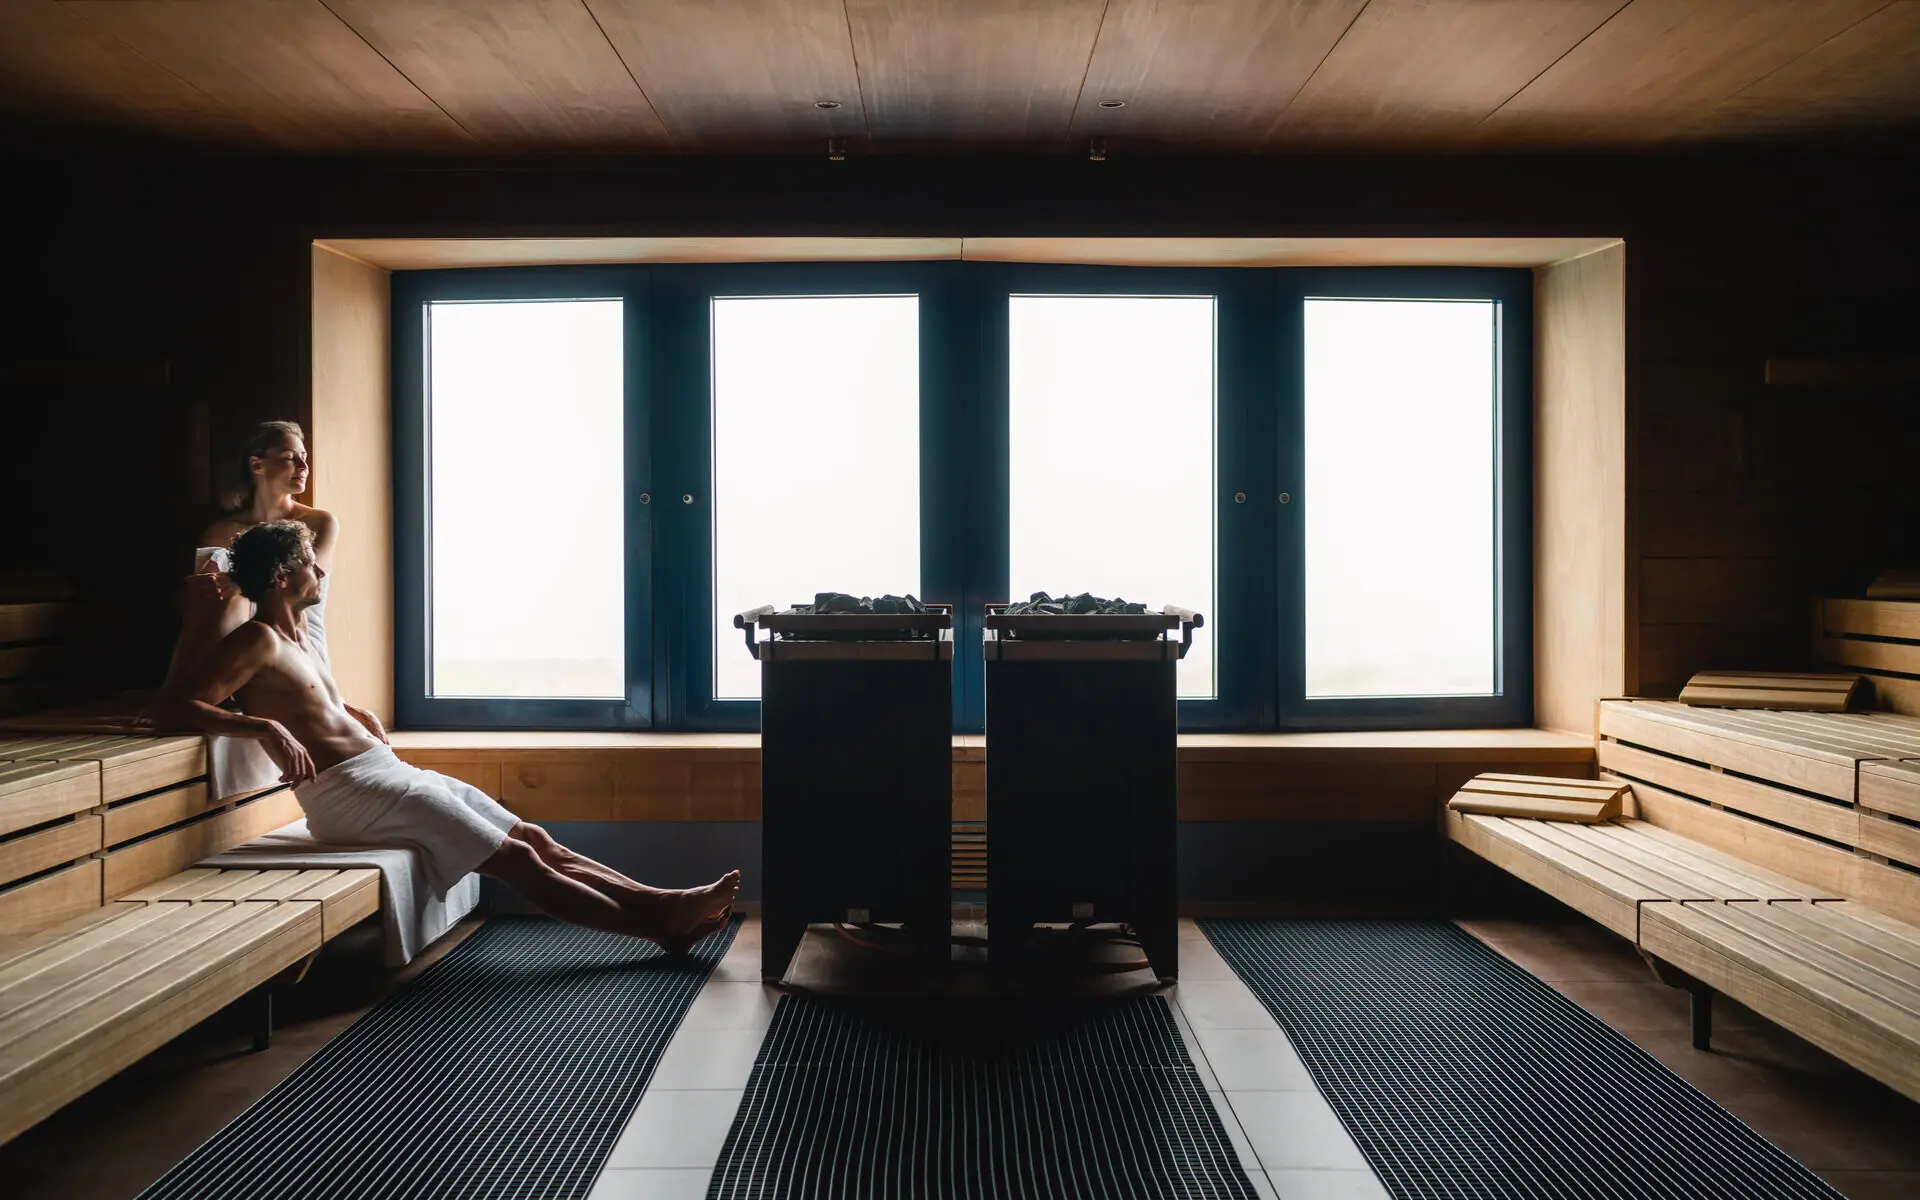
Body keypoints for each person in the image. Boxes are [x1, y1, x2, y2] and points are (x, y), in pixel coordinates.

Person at [157, 520, 738, 954]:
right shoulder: (256, 639)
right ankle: (657, 928)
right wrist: (262, 725)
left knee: (532, 836)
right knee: (513, 858)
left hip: (386, 775)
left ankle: (668, 904)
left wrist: (346, 709)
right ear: (282, 577)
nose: (322, 570)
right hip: (349, 796)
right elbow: (175, 708)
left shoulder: (300, 637)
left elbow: (309, 700)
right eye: (311, 562)